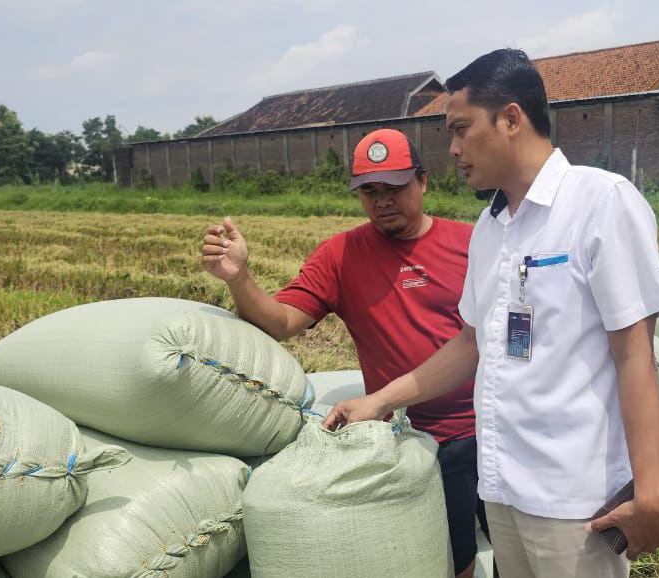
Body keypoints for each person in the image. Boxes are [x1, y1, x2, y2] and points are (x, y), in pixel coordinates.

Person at [325, 48, 659, 578]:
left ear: (511, 119)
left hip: (572, 498)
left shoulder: (599, 202)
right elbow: (472, 343)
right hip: (503, 486)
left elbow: (634, 355)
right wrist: (380, 401)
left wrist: (651, 491)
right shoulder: (491, 227)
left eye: (462, 129)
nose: (454, 149)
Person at [200, 128, 482, 578]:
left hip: (493, 429)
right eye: (369, 191)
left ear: (423, 181)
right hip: (420, 441)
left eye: (394, 186)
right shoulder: (341, 255)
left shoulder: (471, 243)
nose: (382, 200)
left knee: (523, 550)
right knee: (453, 559)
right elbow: (282, 322)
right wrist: (239, 277)